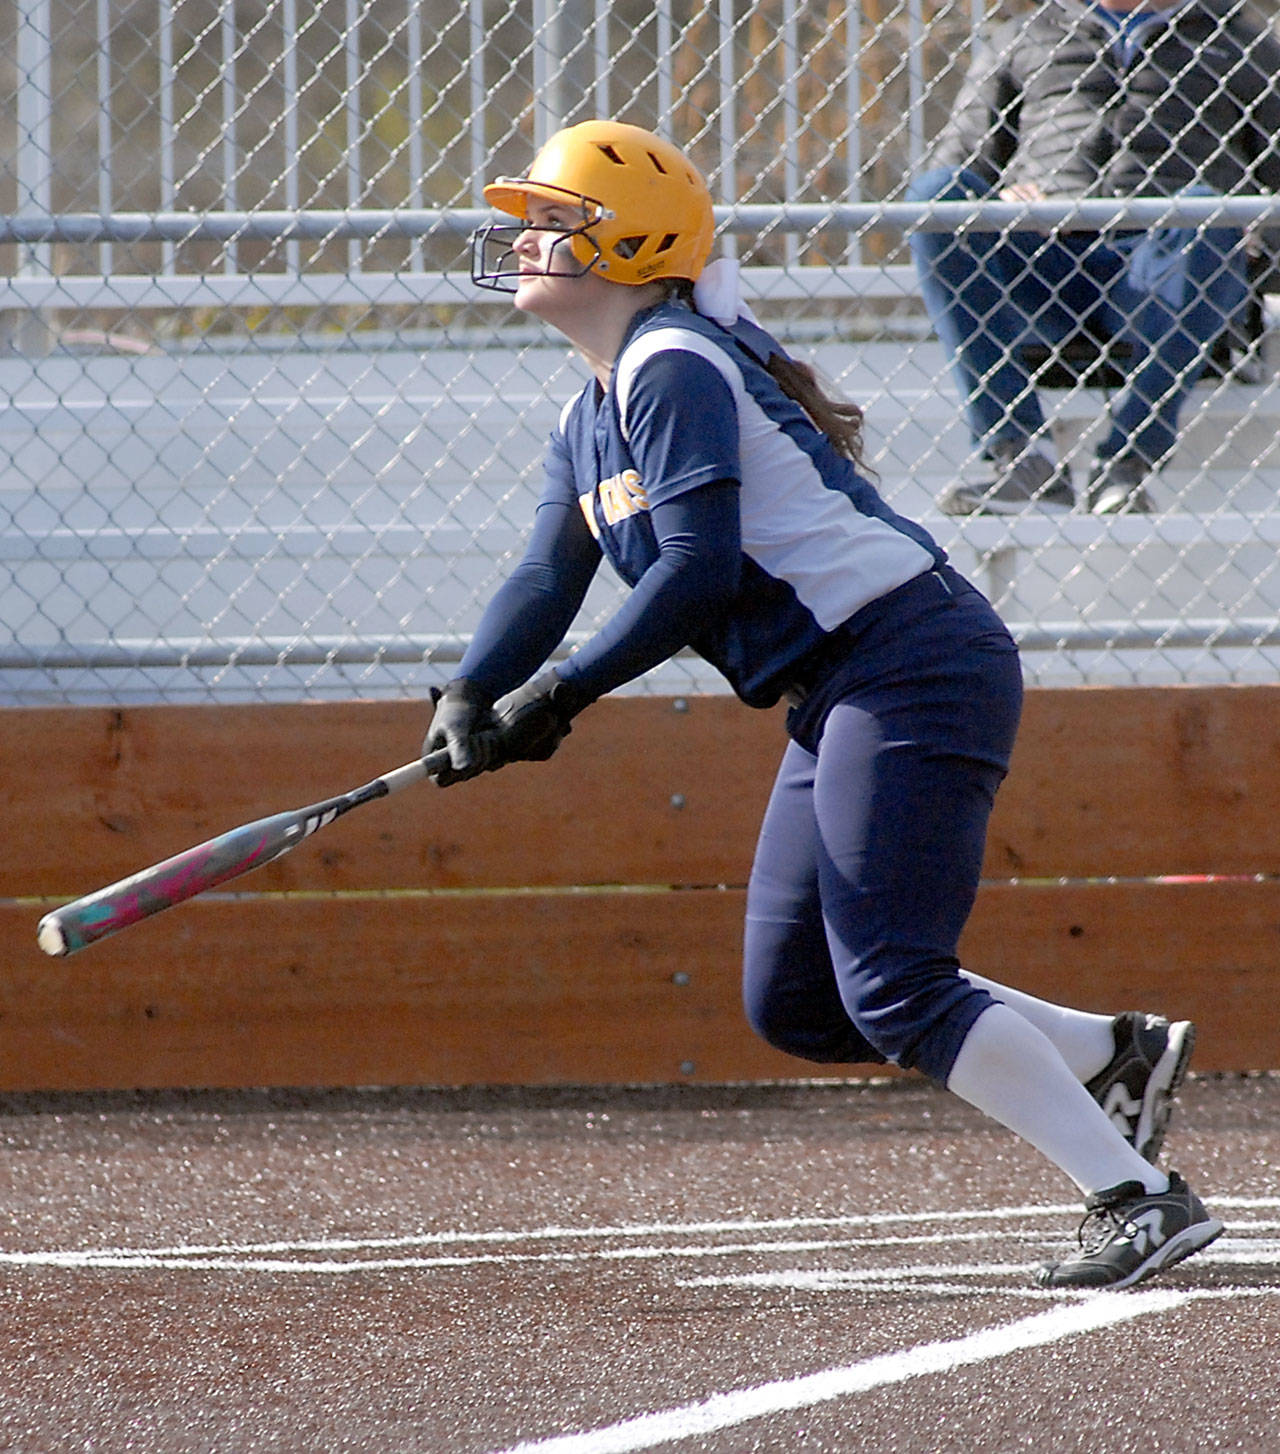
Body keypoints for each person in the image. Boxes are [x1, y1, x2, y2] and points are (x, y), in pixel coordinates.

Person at [423, 118, 1222, 1288]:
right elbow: (548, 573)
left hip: (908, 658)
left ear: (636, 244)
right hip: (843, 681)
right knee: (795, 997)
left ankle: (1134, 1195)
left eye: (558, 220)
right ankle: (1109, 1052)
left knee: (892, 978)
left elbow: (694, 566)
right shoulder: (591, 403)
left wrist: (564, 693)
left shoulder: (671, 360)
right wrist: (471, 688)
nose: (528, 238)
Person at [907, 0, 1280, 517]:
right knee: (937, 194)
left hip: (1163, 270)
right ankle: (1022, 458)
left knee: (1205, 208)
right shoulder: (1026, 34)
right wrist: (1001, 204)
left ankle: (1126, 463)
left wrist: (1252, 239)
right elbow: (958, 165)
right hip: (1042, 262)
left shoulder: (1237, 41)